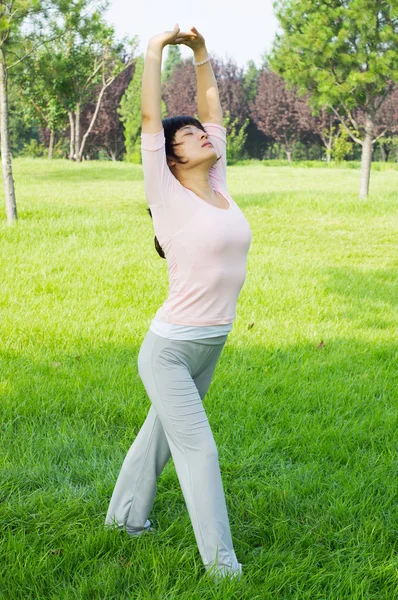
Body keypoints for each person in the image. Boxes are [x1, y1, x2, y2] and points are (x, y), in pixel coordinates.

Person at [104, 24, 252, 583]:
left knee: (159, 436)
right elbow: (149, 120)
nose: (201, 136)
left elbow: (213, 112)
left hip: (211, 340)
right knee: (199, 451)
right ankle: (224, 569)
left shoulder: (218, 184)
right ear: (168, 159)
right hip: (170, 348)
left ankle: (123, 519)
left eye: (200, 132)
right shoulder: (165, 194)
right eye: (186, 136)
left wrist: (204, 56)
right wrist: (156, 51)